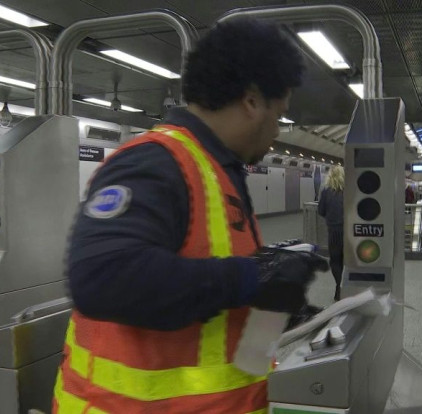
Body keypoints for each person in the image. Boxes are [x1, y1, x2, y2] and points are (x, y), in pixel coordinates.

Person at [52, 18, 328, 414]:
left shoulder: (218, 171)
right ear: (252, 102)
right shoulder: (155, 161)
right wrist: (254, 277)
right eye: (279, 114)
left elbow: (200, 287)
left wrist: (275, 302)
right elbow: (101, 278)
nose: (277, 132)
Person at [318, 166, 344, 301]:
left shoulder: (326, 192)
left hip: (333, 231)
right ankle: (348, 286)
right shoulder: (349, 191)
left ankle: (338, 286)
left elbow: (321, 211)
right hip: (348, 232)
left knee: (335, 260)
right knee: (348, 260)